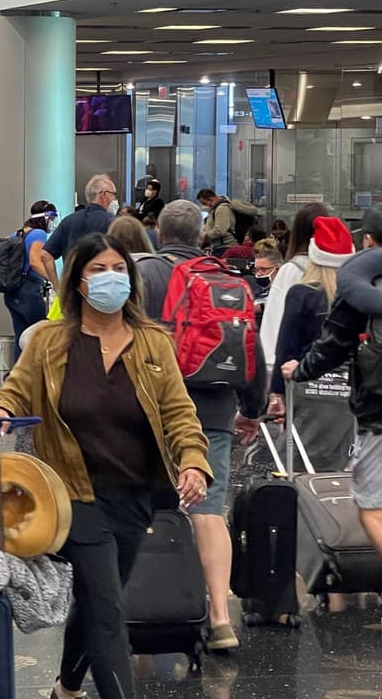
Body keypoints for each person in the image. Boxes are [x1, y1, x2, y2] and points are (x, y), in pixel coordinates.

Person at [0, 231, 211, 699]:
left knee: (97, 602)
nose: (111, 278)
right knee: (108, 611)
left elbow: (179, 412)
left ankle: (66, 689)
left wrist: (193, 461)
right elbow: (17, 387)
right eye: (99, 269)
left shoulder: (152, 343)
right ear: (78, 282)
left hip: (135, 498)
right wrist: (0, 408)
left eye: (119, 269)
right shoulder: (49, 341)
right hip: (73, 496)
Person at [137, 199, 267, 652]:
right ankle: (220, 618)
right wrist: (251, 409)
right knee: (209, 510)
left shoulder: (143, 274)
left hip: (152, 411)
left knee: (145, 509)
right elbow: (251, 347)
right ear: (202, 236)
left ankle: (147, 605)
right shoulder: (228, 279)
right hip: (213, 411)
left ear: (160, 234)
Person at [285, 207, 382, 555]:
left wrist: (300, 371)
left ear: (367, 241)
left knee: (372, 508)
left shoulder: (359, 287)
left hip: (377, 415)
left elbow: (334, 344)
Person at [271, 216, 356, 469]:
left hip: (306, 383)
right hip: (347, 387)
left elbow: (286, 347)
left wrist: (277, 392)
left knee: (297, 460)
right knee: (343, 458)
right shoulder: (358, 296)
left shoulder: (302, 293)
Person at [261, 203, 327, 381]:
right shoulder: (341, 269)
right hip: (330, 371)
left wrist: (272, 377)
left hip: (292, 367)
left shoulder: (291, 270)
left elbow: (273, 324)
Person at [40, 174, 117, 288]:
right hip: (102, 289)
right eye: (114, 194)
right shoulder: (112, 223)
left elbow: (46, 255)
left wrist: (58, 288)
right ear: (104, 194)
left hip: (72, 290)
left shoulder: (68, 221)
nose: (115, 199)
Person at [4, 202, 53, 361]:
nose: (53, 222)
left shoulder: (16, 233)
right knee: (39, 334)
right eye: (52, 217)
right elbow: (34, 261)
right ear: (45, 218)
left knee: (20, 337)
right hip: (29, 291)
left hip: (12, 292)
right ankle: (37, 373)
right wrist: (54, 279)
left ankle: (17, 373)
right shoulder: (39, 233)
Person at [197, 189, 238, 254]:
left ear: (211, 199)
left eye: (205, 203)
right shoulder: (215, 209)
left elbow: (220, 230)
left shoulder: (221, 209)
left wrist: (205, 236)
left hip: (225, 247)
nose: (206, 206)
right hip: (220, 246)